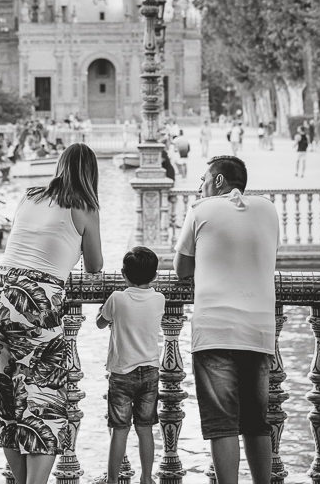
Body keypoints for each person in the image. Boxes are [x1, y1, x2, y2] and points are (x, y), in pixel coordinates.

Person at [0, 143, 103, 484]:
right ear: (91, 174)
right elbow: (95, 266)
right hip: (37, 301)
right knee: (42, 400)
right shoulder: (85, 206)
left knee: (2, 394)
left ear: (60, 166)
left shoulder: (29, 196)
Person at [173, 156, 279, 484]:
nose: (200, 186)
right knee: (256, 422)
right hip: (258, 329)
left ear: (218, 182)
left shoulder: (201, 210)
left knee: (223, 425)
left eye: (203, 179)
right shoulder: (269, 210)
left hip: (215, 330)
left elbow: (181, 270)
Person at [95, 247, 165, 484]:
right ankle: (146, 478)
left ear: (124, 274)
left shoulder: (117, 298)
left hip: (122, 372)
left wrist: (103, 310)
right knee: (145, 428)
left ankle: (113, 480)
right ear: (154, 276)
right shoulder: (159, 299)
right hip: (150, 371)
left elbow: (100, 323)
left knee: (120, 430)